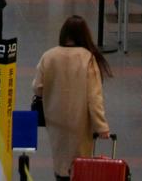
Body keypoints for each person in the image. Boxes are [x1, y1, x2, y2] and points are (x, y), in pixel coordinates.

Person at [33, 16, 112, 180]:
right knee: (79, 166)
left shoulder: (48, 56)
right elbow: (94, 98)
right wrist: (101, 126)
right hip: (80, 122)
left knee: (60, 163)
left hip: (55, 120)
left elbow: (37, 88)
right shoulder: (87, 58)